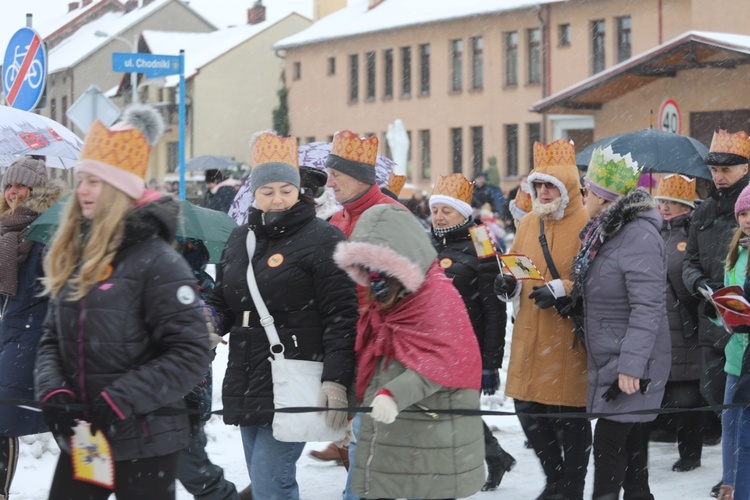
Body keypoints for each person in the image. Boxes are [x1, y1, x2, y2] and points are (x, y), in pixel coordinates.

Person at [34, 105, 211, 499]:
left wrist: (116, 401)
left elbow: (190, 352)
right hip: (87, 438)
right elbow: (50, 338)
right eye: (82, 179)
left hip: (146, 442)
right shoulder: (77, 253)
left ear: (120, 190)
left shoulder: (159, 262)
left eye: (95, 181)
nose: (82, 190)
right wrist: (55, 394)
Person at [207, 133, 358, 499]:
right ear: (254, 194)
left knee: (271, 480)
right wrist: (209, 320)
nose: (277, 198)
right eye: (268, 190)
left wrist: (336, 381)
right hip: (247, 372)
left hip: (297, 372)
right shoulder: (239, 238)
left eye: (286, 190)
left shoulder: (324, 238)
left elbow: (342, 315)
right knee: (263, 482)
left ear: (299, 191)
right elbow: (226, 296)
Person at [334, 204, 485, 499]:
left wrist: (393, 394)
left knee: (425, 488)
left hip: (435, 423)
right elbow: (371, 355)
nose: (374, 277)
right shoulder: (390, 297)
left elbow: (445, 361)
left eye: (381, 268)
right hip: (397, 426)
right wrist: (348, 397)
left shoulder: (436, 296)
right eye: (367, 268)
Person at [569, 146, 670, 499]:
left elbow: (648, 307)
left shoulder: (637, 235)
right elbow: (606, 288)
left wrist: (631, 366)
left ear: (601, 195)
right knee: (633, 458)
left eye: (587, 189)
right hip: (616, 355)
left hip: (632, 362)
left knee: (610, 447)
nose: (584, 195)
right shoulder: (606, 229)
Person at [493, 139, 590, 500]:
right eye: (539, 185)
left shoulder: (587, 220)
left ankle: (571, 488)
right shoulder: (529, 221)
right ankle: (555, 478)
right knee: (527, 411)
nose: (544, 192)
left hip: (567, 336)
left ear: (567, 185)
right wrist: (506, 285)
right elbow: (519, 269)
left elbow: (598, 277)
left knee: (571, 417)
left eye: (551, 184)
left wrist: (562, 288)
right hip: (529, 334)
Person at [310, 130, 403, 471]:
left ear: (360, 177)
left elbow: (411, 285)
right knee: (348, 434)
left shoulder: (391, 214)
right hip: (342, 338)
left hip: (380, 345)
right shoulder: (337, 218)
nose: (330, 184)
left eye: (336, 176)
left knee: (377, 441)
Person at [428, 174, 513, 492]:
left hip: (467, 348)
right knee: (444, 410)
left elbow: (494, 309)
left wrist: (491, 362)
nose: (438, 217)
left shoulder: (481, 242)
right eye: (435, 210)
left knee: (455, 411)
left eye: (446, 211)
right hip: (430, 346)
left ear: (464, 213)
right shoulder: (428, 243)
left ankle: (461, 470)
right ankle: (494, 456)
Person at [683, 129, 750, 497]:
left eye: (728, 168)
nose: (719, 175)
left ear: (744, 168)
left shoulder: (749, 206)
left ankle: (740, 472)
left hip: (746, 329)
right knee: (718, 398)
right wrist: (700, 286)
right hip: (714, 320)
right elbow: (690, 261)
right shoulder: (704, 211)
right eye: (714, 168)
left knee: (741, 406)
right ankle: (734, 468)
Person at [0, 157, 65, 499]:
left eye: (21, 185)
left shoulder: (48, 231)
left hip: (35, 335)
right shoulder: (5, 229)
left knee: (69, 418)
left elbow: (58, 289)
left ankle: (100, 477)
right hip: (11, 332)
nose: (13, 192)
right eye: (9, 185)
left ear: (36, 191)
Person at [174, 237, 240, 500]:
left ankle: (223, 495)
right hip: (177, 388)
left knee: (192, 466)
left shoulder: (199, 286)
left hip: (184, 390)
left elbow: (203, 338)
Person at [653, 174, 705, 473]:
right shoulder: (655, 232)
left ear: (685, 203)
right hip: (658, 325)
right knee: (664, 389)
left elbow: (690, 281)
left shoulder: (691, 234)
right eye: (661, 201)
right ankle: (664, 434)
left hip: (686, 327)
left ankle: (690, 453)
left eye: (672, 201)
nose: (665, 207)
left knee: (687, 395)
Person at [710, 183, 750, 500]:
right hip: (736, 356)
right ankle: (730, 485)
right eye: (743, 213)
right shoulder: (736, 252)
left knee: (746, 432)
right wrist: (718, 312)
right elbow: (730, 298)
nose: (748, 219)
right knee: (732, 426)